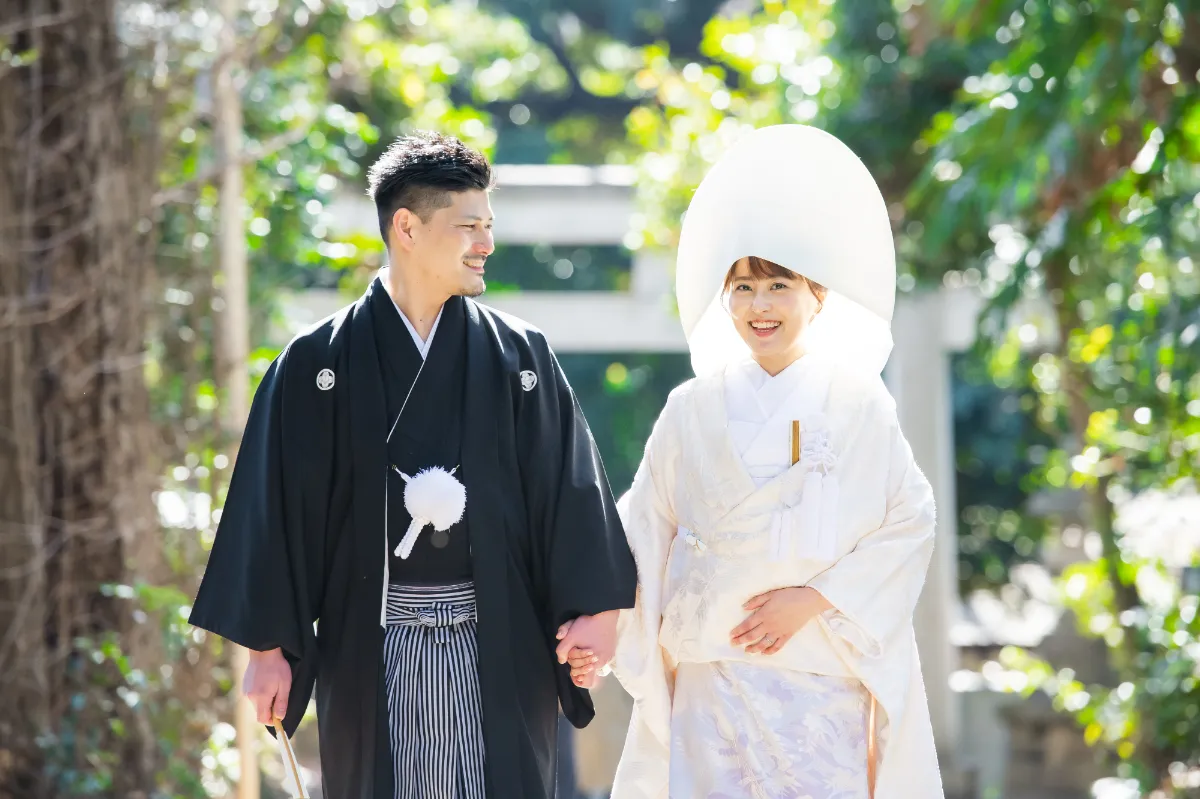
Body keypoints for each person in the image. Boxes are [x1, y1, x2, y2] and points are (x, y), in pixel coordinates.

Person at [189, 132, 636, 799]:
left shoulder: (520, 358)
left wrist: (597, 610)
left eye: (488, 225)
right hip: (370, 643)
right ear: (406, 227)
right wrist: (267, 649)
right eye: (468, 226)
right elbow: (273, 509)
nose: (486, 242)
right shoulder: (317, 365)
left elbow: (570, 489)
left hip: (498, 639)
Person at [567, 125, 945, 798]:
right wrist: (600, 615)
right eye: (742, 287)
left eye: (778, 284)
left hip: (820, 678)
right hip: (709, 682)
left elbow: (909, 521)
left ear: (817, 294)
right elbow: (643, 525)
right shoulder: (691, 408)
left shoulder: (858, 404)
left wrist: (814, 599)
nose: (759, 306)